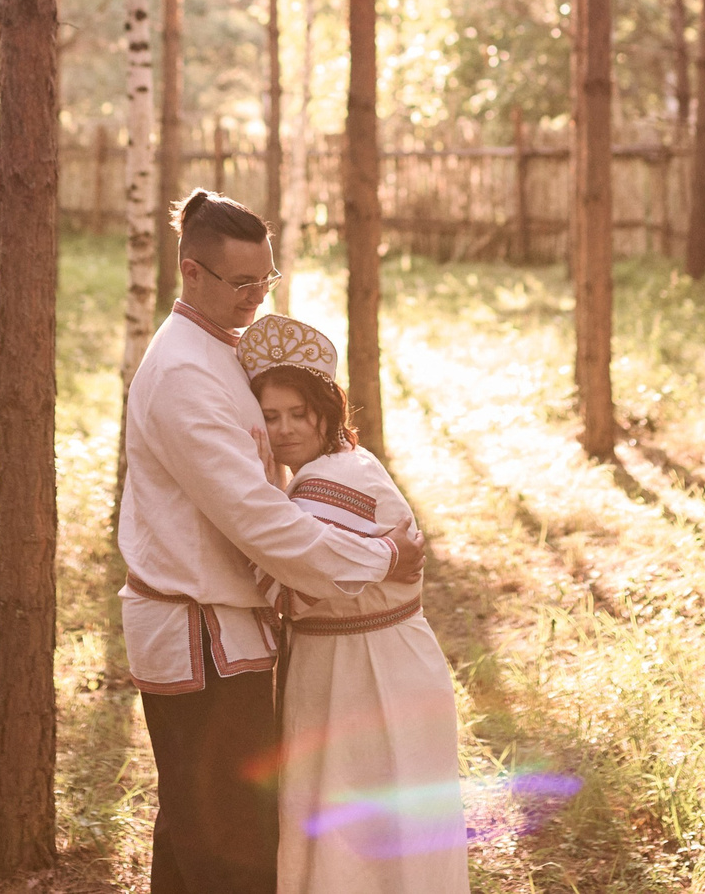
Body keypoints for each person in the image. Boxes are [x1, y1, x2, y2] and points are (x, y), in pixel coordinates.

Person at [119, 190, 425, 894]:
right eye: (242, 283)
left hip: (229, 632)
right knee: (230, 849)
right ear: (191, 273)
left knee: (198, 833)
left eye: (267, 280)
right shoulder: (184, 375)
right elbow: (258, 517)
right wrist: (378, 558)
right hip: (200, 639)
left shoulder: (221, 351)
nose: (257, 298)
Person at [243, 315, 469, 894]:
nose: (286, 429)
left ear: (329, 410)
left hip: (369, 671)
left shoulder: (330, 481)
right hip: (349, 664)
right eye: (270, 416)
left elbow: (287, 581)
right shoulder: (327, 473)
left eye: (300, 413)